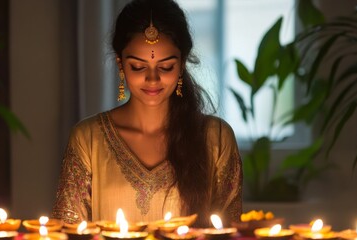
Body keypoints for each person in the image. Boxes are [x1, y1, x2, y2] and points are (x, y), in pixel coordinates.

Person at [52, 0, 242, 227]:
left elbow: (228, 230)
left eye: (166, 67)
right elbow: (68, 230)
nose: (152, 79)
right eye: (138, 67)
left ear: (181, 64)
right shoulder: (88, 139)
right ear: (121, 64)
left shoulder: (216, 138)